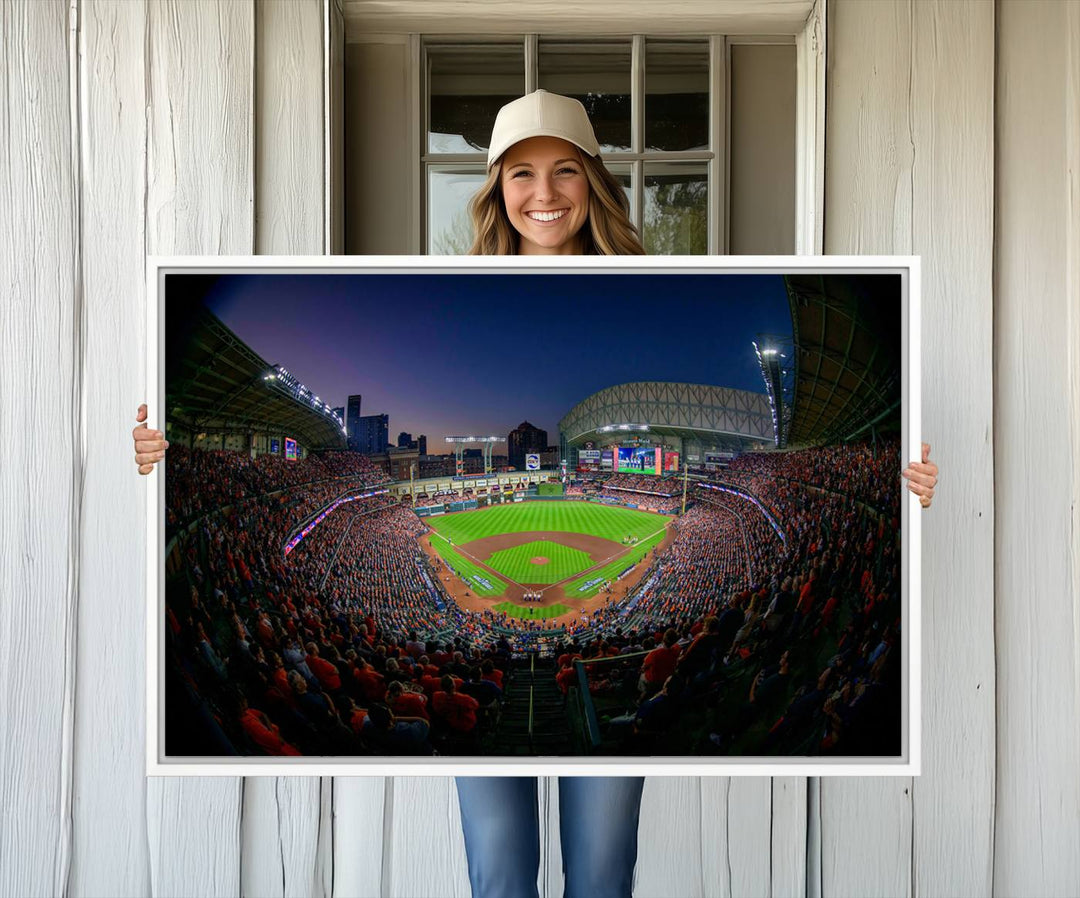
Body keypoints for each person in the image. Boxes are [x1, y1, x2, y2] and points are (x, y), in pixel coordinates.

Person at [133, 89, 940, 898]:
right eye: (521, 173)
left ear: (593, 181)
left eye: (564, 171)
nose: (544, 193)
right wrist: (163, 451)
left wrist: (902, 480)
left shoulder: (650, 278)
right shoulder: (451, 279)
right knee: (501, 873)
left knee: (599, 873)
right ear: (495, 188)